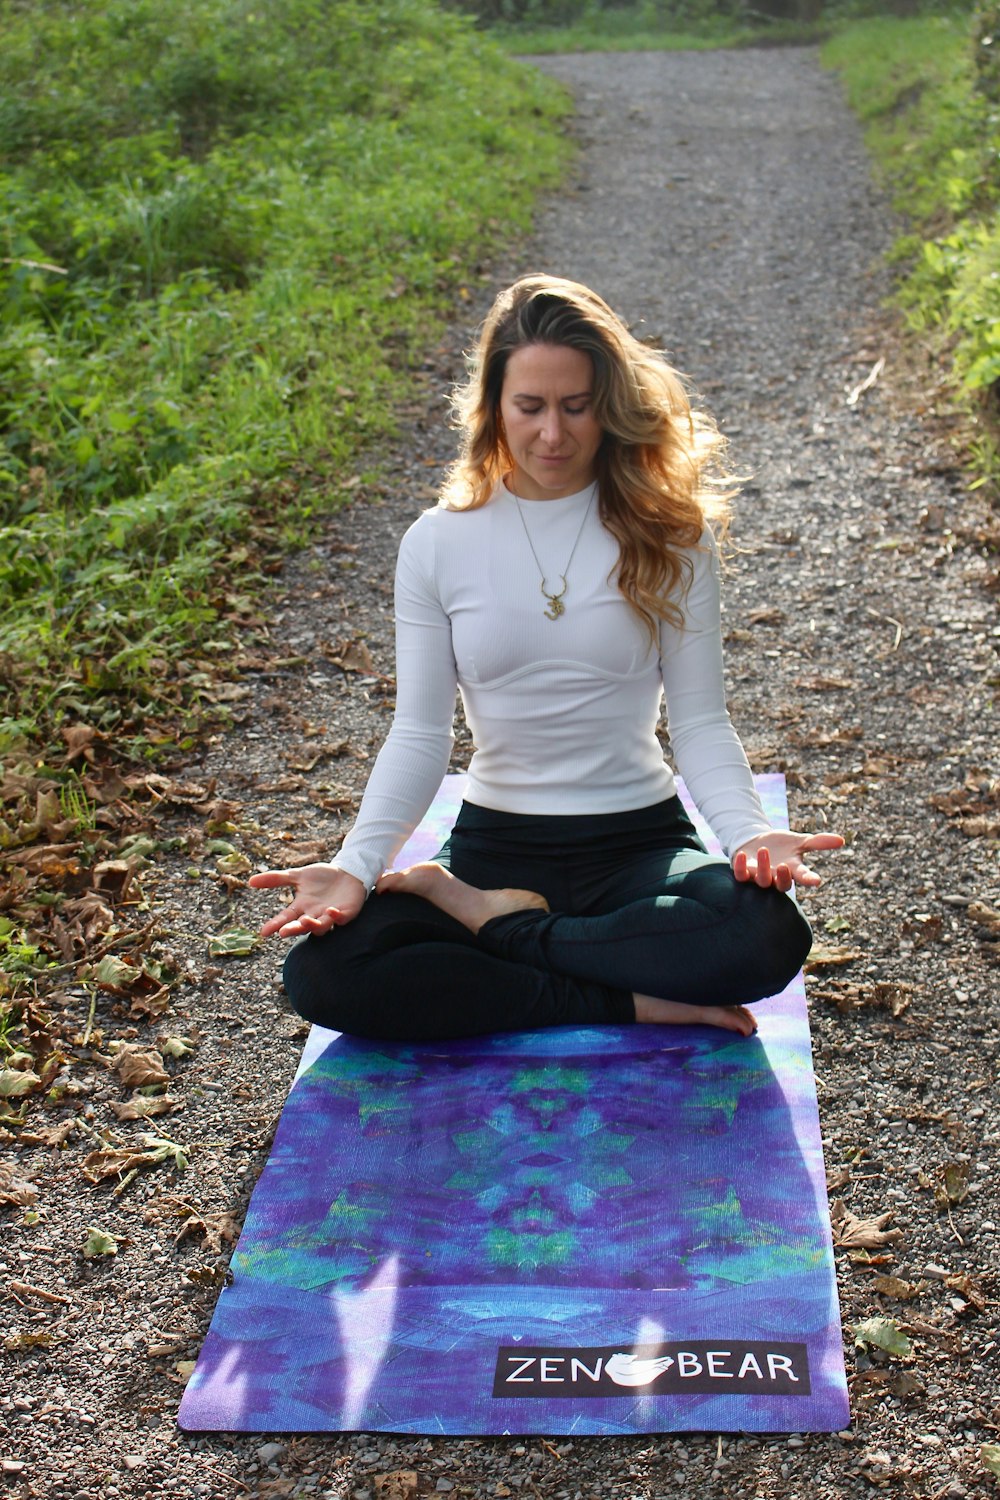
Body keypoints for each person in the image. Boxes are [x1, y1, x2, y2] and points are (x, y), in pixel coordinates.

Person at [249, 274, 842, 1042]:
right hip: (497, 842)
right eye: (530, 407)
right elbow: (422, 735)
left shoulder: (673, 536)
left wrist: (746, 834)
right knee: (327, 973)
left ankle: (501, 933)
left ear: (610, 405)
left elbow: (699, 721)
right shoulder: (437, 543)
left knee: (764, 939)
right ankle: (619, 999)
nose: (553, 435)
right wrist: (356, 866)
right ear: (493, 407)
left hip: (642, 845)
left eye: (576, 406)